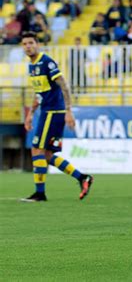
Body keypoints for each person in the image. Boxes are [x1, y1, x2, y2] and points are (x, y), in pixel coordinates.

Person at [20, 31, 93, 202]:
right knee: (45, 154)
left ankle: (40, 193)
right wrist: (30, 113)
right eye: (25, 44)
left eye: (31, 43)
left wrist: (69, 110)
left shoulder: (46, 62)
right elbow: (39, 92)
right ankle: (82, 178)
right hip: (47, 111)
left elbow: (64, 85)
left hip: (54, 112)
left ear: (37, 44)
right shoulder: (32, 66)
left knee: (36, 149)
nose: (28, 46)